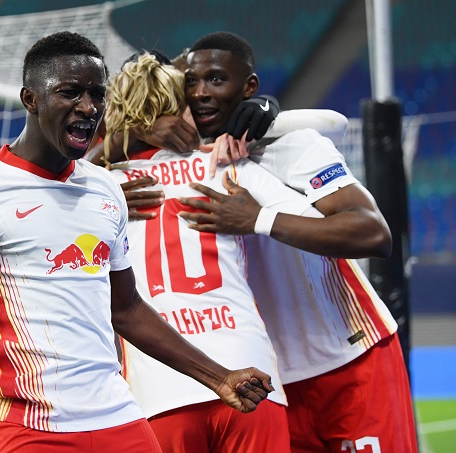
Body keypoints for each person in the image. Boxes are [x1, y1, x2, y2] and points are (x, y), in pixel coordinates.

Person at [0, 32, 274, 453]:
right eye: (70, 93)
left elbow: (128, 309)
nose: (88, 107)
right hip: (28, 426)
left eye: (97, 94)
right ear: (30, 98)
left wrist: (219, 377)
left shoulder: (106, 190)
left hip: (118, 416)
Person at [176, 32, 418, 453]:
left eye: (216, 80)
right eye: (191, 83)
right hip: (264, 381)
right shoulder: (175, 164)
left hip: (348, 359)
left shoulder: (294, 145)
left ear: (249, 88)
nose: (201, 94)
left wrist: (259, 218)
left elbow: (373, 234)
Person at [103, 51, 342, 451]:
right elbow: (323, 226)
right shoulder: (228, 166)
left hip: (158, 389)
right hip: (249, 376)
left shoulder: (99, 188)